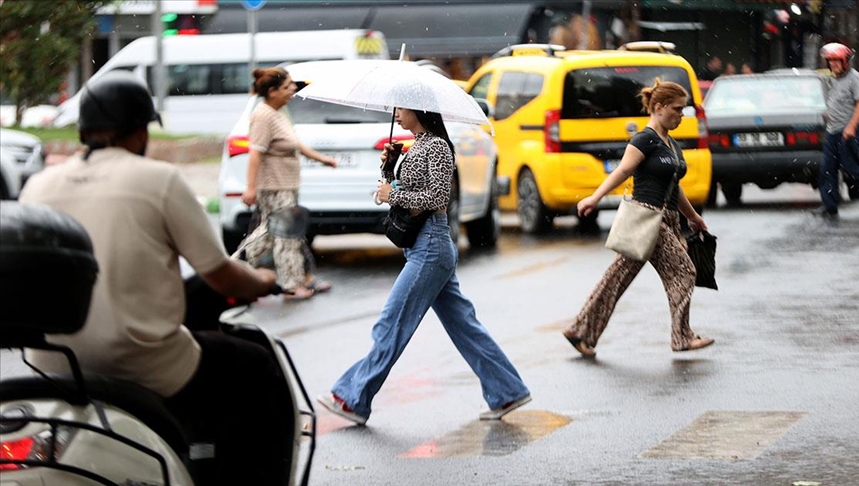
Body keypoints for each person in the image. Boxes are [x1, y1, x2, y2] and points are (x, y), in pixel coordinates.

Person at [19, 71, 294, 486]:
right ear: (139, 131)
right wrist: (261, 279)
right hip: (144, 365)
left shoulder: (38, 186)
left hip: (51, 366)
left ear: (84, 131)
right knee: (256, 367)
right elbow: (221, 276)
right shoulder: (158, 180)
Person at [317, 107, 531, 425]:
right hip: (423, 246)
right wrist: (389, 168)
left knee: (392, 323)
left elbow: (438, 198)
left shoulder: (438, 145)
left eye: (401, 108)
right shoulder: (417, 144)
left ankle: (353, 398)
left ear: (419, 110)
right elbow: (403, 193)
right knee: (465, 327)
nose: (396, 114)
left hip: (430, 247)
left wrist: (394, 194)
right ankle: (507, 391)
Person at [562, 79, 715, 357]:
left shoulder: (671, 144)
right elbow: (623, 171)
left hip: (667, 218)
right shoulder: (645, 139)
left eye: (683, 110)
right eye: (677, 109)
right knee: (683, 271)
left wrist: (692, 216)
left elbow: (674, 186)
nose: (681, 115)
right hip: (647, 217)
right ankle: (681, 337)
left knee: (617, 277)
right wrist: (595, 198)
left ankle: (579, 330)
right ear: (659, 107)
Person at [240, 66, 338, 299]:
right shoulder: (263, 116)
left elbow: (295, 144)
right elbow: (255, 154)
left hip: (287, 184)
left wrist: (322, 159)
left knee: (271, 233)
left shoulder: (278, 113)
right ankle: (291, 285)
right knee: (285, 235)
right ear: (272, 91)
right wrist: (250, 188)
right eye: (287, 86)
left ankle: (240, 272)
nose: (293, 89)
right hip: (274, 186)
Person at [812, 42, 859, 219]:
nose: (833, 64)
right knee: (827, 169)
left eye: (836, 61)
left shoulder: (854, 78)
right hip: (833, 131)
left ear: (845, 62)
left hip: (848, 132)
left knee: (853, 169)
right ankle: (829, 206)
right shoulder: (834, 79)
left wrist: (851, 126)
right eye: (830, 61)